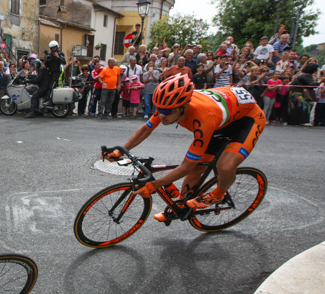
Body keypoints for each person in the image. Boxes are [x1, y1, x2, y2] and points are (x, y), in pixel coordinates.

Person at [105, 74, 265, 222]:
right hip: (222, 119)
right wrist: (120, 151)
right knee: (197, 169)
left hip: (248, 119)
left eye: (167, 111)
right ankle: (182, 205)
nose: (162, 115)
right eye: (158, 109)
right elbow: (146, 129)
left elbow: (185, 167)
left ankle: (219, 194)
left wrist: (154, 185)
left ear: (185, 106)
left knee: (225, 165)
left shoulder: (203, 118)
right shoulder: (168, 105)